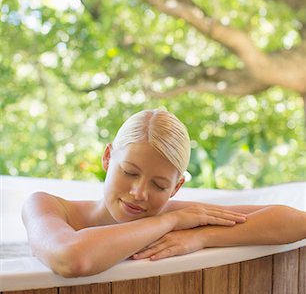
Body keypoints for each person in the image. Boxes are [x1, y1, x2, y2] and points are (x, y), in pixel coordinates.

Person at [22, 109, 306, 278]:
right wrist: (167, 222)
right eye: (130, 172)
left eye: (159, 186)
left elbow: (295, 221)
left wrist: (201, 236)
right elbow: (72, 258)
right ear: (108, 157)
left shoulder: (181, 217)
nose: (139, 193)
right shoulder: (46, 205)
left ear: (176, 187)